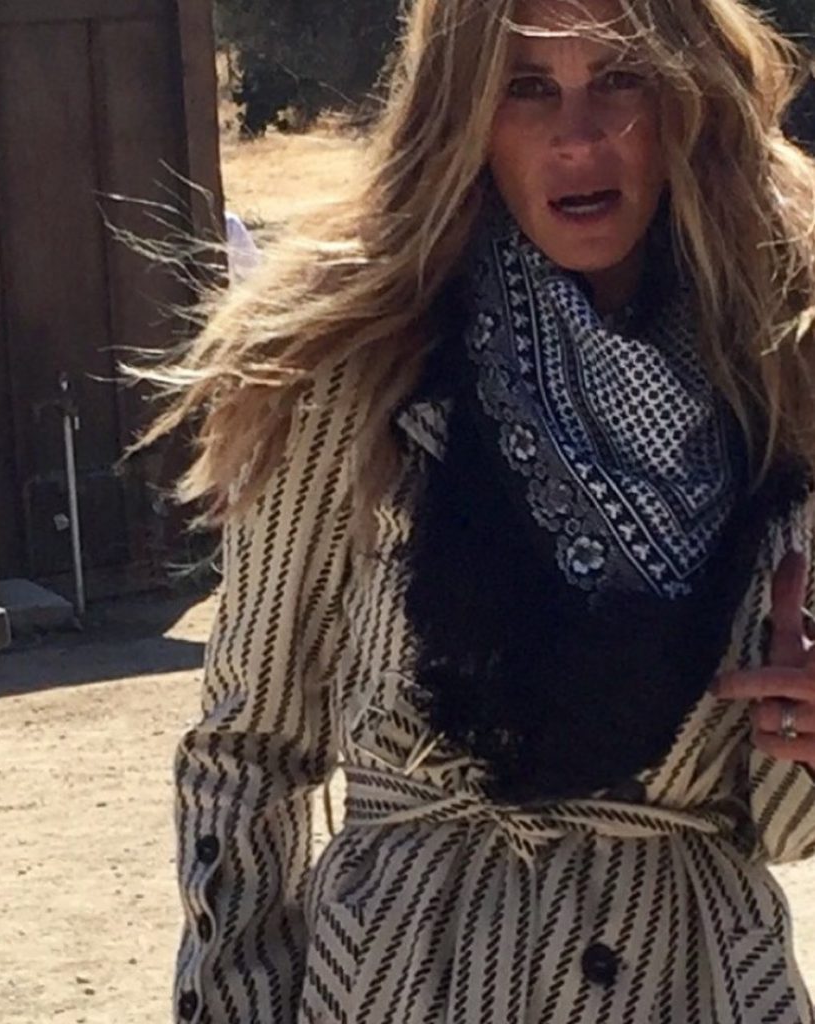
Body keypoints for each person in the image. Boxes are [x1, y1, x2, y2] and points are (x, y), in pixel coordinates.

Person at [133, 0, 815, 1020]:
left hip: (694, 976)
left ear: (687, 98)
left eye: (618, 79)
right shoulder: (357, 365)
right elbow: (248, 750)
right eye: (526, 87)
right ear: (464, 113)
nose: (577, 137)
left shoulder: (781, 369)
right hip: (408, 974)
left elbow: (781, 824)